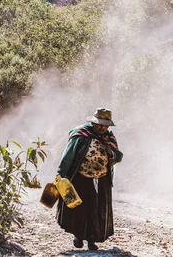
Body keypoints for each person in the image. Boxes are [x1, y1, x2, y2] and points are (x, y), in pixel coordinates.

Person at [56, 108, 123, 251]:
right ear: (93, 122)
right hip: (80, 177)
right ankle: (78, 236)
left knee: (96, 209)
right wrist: (61, 174)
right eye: (100, 124)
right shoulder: (81, 135)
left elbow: (118, 156)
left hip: (101, 179)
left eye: (106, 125)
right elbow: (69, 155)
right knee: (79, 208)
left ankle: (92, 240)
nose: (103, 127)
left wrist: (110, 151)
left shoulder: (109, 137)